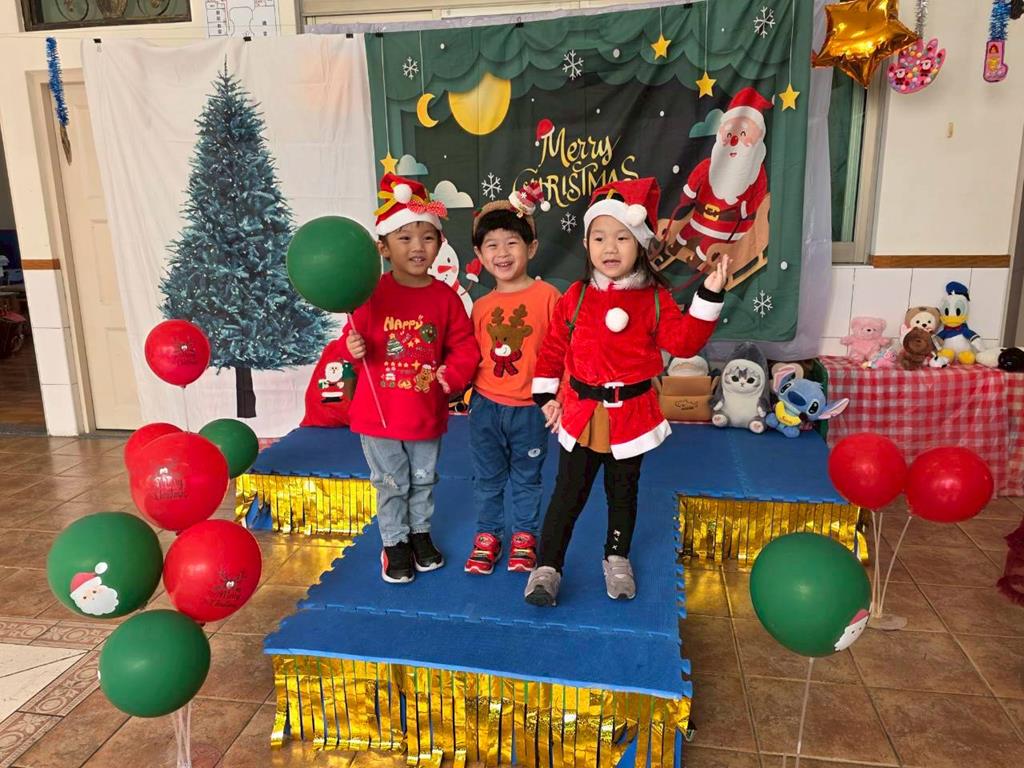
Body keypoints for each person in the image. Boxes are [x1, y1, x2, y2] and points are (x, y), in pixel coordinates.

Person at [525, 177, 727, 606]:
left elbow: (684, 343)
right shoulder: (576, 296)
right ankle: (547, 566)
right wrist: (546, 396)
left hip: (632, 416)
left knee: (623, 493)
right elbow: (554, 348)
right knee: (567, 495)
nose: (610, 248)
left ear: (640, 244)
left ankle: (616, 557)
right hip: (581, 413)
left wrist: (710, 294)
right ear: (587, 244)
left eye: (622, 237)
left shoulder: (655, 298)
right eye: (599, 237)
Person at [342, 173, 480, 584]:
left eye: (427, 237)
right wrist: (352, 348)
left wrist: (453, 374)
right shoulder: (369, 294)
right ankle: (394, 542)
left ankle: (419, 533)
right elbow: (348, 342)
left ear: (440, 242)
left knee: (423, 480)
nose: (418, 247)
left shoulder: (445, 297)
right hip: (379, 416)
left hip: (425, 413)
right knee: (391, 483)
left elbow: (465, 346)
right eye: (405, 238)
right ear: (383, 247)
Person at [463, 181, 560, 575]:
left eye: (511, 243)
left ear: (531, 248)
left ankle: (524, 535)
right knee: (487, 478)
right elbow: (470, 356)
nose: (502, 253)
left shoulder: (549, 297)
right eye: (492, 245)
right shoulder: (480, 306)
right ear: (479, 255)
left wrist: (560, 399)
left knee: (527, 477)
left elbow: (563, 352)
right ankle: (487, 534)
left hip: (531, 410)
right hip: (486, 407)